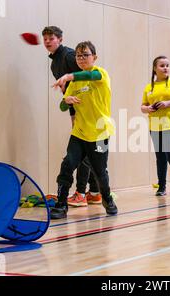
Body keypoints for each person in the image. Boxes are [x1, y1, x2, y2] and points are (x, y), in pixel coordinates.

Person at [50, 41, 117, 219]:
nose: (81, 58)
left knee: (100, 172)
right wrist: (67, 101)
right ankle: (61, 204)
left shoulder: (100, 74)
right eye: (78, 55)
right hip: (79, 132)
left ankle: (107, 198)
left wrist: (68, 76)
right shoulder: (74, 83)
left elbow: (89, 76)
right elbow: (63, 106)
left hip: (100, 133)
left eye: (85, 55)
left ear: (94, 57)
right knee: (67, 165)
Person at [42, 26, 102, 207]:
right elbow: (68, 89)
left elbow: (88, 75)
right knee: (87, 151)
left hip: (87, 107)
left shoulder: (68, 55)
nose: (47, 41)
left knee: (83, 150)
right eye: (44, 38)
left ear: (60, 39)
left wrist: (68, 78)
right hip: (75, 106)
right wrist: (65, 94)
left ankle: (81, 193)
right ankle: (94, 192)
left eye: (51, 38)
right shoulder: (54, 63)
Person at [141, 56, 170, 196]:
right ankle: (162, 187)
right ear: (155, 69)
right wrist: (148, 109)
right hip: (155, 126)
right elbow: (143, 106)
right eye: (162, 65)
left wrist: (167, 103)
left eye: (167, 65)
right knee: (160, 157)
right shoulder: (149, 87)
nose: (165, 68)